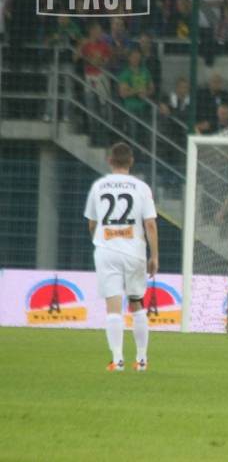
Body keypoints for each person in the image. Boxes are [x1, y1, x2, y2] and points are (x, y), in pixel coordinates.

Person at [83, 142, 158, 372]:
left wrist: (102, 240)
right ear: (131, 162)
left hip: (107, 252)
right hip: (134, 252)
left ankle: (117, 360)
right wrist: (154, 255)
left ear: (110, 161)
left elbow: (92, 224)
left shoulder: (98, 187)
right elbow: (150, 224)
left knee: (113, 307)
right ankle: (142, 360)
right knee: (136, 302)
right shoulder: (141, 187)